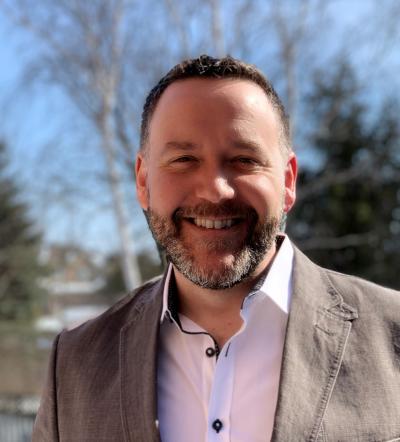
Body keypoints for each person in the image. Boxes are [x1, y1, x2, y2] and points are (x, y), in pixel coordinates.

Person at [33, 55, 400, 442]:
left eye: (244, 159)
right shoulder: (75, 363)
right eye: (183, 160)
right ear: (143, 181)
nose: (215, 189)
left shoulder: (392, 335)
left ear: (288, 181)